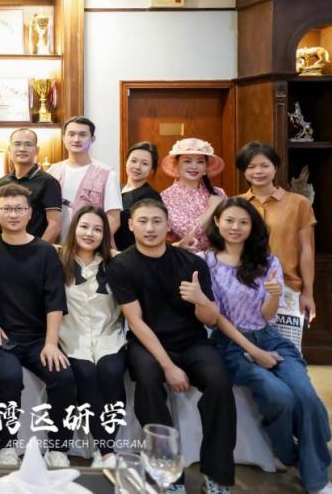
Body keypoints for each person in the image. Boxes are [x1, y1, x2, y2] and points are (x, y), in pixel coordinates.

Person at [205, 198, 332, 494]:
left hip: (269, 336)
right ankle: (289, 453)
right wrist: (254, 352)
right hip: (231, 344)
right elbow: (217, 319)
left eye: (243, 222)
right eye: (229, 221)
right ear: (217, 223)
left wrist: (274, 294)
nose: (235, 227)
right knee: (280, 397)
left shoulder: (266, 261)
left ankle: (316, 478)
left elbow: (266, 315)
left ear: (253, 227)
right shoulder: (206, 261)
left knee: (307, 397)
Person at [107, 198, 235, 494]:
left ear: (168, 225)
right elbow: (135, 321)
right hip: (146, 343)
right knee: (148, 381)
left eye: (157, 221)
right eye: (142, 221)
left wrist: (200, 300)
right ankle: (168, 474)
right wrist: (168, 366)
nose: (150, 228)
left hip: (192, 341)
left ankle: (216, 474)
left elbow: (210, 319)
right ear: (131, 225)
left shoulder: (192, 264)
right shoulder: (122, 265)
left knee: (219, 383)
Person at [0, 183, 76, 468]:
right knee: (10, 377)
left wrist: (51, 343)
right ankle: (6, 445)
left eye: (19, 209)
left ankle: (58, 447)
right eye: (7, 209)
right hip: (1, 338)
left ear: (29, 213)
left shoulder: (46, 252)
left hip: (38, 338)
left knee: (64, 377)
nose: (13, 215)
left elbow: (55, 301)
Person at [57, 205, 126, 469]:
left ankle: (104, 450)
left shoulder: (117, 262)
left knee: (111, 371)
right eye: (84, 226)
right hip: (71, 338)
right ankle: (107, 451)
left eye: (97, 229)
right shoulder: (58, 258)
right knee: (85, 373)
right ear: (74, 228)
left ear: (105, 234)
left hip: (108, 335)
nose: (89, 233)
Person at [237, 141, 318, 327]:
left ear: (275, 168)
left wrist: (308, 293)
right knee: (245, 345)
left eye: (264, 165)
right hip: (243, 288)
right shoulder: (236, 204)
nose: (258, 171)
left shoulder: (299, 203)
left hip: (287, 288)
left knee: (285, 345)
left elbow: (306, 250)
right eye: (251, 167)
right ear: (244, 171)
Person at [47, 116, 122, 241]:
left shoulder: (107, 174)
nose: (76, 139)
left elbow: (113, 219)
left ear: (92, 139)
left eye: (82, 135)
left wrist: (94, 244)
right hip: (56, 245)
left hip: (91, 246)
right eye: (71, 134)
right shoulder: (52, 171)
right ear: (64, 138)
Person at [0, 128, 62, 243]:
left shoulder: (48, 182)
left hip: (34, 249)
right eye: (17, 144)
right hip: (5, 247)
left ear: (37, 150)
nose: (22, 149)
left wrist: (40, 249)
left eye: (28, 144)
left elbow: (55, 224)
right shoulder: (1, 182)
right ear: (9, 150)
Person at [160, 138, 227, 251]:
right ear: (176, 164)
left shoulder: (218, 192)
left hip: (219, 256)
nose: (194, 166)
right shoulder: (167, 196)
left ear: (206, 167)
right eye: (187, 161)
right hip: (185, 258)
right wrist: (212, 208)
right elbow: (188, 232)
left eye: (200, 162)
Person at [115, 142, 161, 251]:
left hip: (131, 253)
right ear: (126, 162)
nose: (137, 167)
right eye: (133, 161)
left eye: (144, 163)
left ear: (152, 169)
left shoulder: (150, 196)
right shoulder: (116, 189)